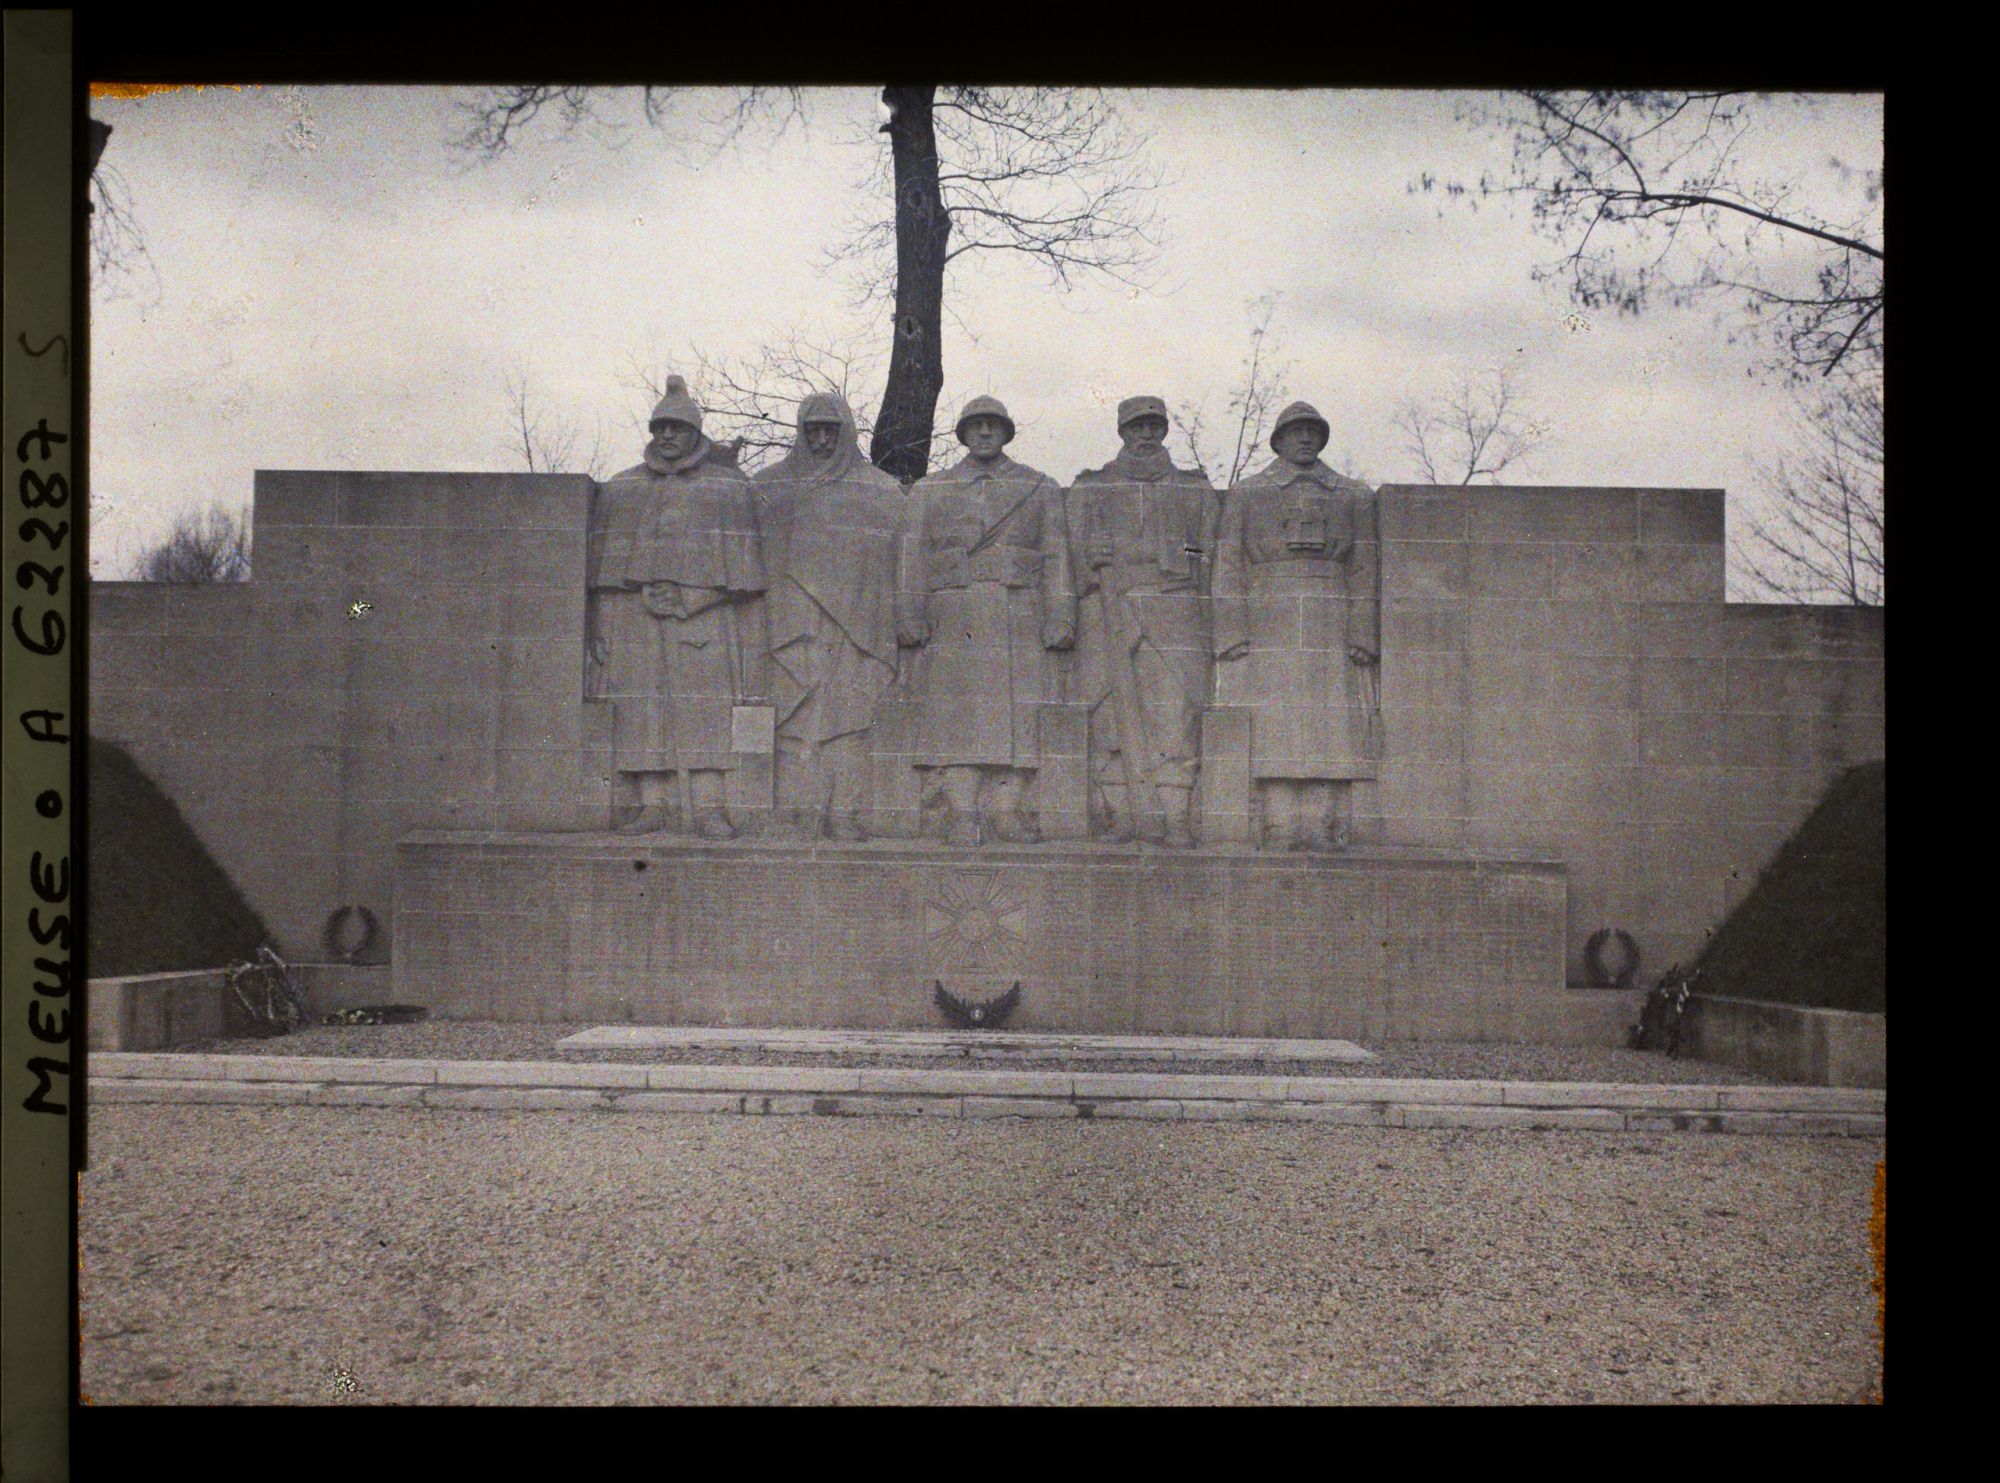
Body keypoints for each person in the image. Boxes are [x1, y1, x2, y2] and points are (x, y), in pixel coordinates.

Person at [587, 375, 767, 838]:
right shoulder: (622, 489)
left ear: (695, 433)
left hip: (705, 619)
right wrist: (603, 629)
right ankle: (652, 806)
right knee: (643, 713)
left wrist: (695, 598)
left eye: (677, 428)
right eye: (660, 427)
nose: (667, 435)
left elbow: (745, 574)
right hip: (637, 620)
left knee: (703, 712)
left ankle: (709, 808)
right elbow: (605, 578)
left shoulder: (727, 489)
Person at [897, 395, 1076, 846]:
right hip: (953, 613)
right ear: (961, 433)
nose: (983, 433)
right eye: (974, 425)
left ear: (1006, 432)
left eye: (992, 425)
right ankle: (961, 812)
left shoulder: (1038, 488)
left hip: (1018, 613)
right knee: (956, 715)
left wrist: (1061, 615)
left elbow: (1056, 556)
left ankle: (1006, 809)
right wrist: (910, 614)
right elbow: (912, 557)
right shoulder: (930, 489)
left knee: (1018, 715)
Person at [1212, 400, 1381, 851]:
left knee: (1331, 722)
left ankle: (1325, 822)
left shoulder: (1352, 494)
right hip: (1269, 615)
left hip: (1332, 612)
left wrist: (1363, 631)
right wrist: (1231, 630)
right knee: (1275, 721)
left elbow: (1365, 565)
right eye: (1295, 431)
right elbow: (1228, 563)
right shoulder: (1249, 493)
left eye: (1313, 431)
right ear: (1279, 439)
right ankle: (1279, 821)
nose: (1305, 439)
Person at [752, 393, 907, 841]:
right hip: (791, 627)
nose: (821, 440)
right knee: (794, 721)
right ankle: (798, 813)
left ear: (847, 433)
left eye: (830, 430)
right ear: (800, 432)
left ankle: (843, 813)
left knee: (850, 722)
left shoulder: (881, 491)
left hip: (857, 630)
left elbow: (898, 563)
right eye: (812, 430)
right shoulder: (769, 488)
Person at [1068, 395, 1217, 847]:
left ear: (1165, 430)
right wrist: (1090, 559)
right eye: (1137, 427)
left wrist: (1180, 557)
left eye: (1154, 426)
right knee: (1110, 717)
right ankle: (1124, 816)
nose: (1146, 434)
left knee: (1175, 716)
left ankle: (1174, 817)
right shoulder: (1092, 487)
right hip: (1111, 606)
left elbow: (1206, 553)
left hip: (1174, 607)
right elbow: (1073, 553)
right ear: (1122, 431)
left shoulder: (1194, 489)